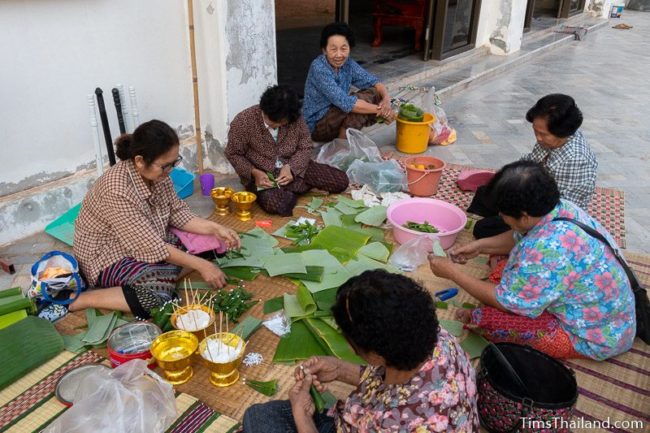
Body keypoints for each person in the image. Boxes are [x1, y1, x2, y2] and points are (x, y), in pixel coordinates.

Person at [430, 161, 635, 360]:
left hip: (594, 335)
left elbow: (506, 302)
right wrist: (480, 246)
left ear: (525, 216)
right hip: (606, 308)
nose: (500, 217)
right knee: (501, 264)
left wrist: (452, 273)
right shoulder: (560, 208)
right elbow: (518, 236)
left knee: (487, 321)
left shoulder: (545, 248)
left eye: (503, 214)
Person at [242, 270, 479, 433]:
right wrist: (340, 369)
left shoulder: (392, 422)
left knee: (258, 417)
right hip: (374, 417)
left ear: (377, 356)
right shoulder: (438, 337)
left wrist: (302, 416)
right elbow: (395, 383)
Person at [71, 120, 240, 319]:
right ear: (140, 160)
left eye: (174, 162)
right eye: (165, 165)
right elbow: (151, 246)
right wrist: (201, 266)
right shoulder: (117, 190)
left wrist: (214, 228)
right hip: (106, 255)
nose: (171, 170)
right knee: (157, 298)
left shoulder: (159, 174)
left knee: (212, 244)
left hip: (147, 238)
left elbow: (177, 213)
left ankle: (165, 272)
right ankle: (83, 299)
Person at [469, 94, 598, 239]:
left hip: (547, 218)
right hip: (530, 195)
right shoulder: (552, 139)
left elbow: (554, 210)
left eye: (542, 134)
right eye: (535, 131)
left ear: (562, 132)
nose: (538, 138)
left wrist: (514, 207)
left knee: (483, 229)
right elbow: (529, 162)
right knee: (484, 193)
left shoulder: (575, 159)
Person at [226, 85, 349, 216]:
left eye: (283, 123)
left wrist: (290, 167)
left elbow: (305, 146)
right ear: (264, 110)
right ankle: (292, 189)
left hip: (296, 166)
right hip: (263, 176)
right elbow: (233, 153)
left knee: (341, 181)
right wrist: (254, 172)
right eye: (273, 122)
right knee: (279, 205)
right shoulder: (243, 121)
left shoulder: (294, 117)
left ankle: (290, 188)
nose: (278, 126)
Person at [303, 22, 395, 143]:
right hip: (317, 125)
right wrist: (382, 111)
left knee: (375, 93)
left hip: (336, 116)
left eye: (343, 48)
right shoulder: (318, 67)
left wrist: (386, 101)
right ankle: (342, 146)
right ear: (324, 50)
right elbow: (346, 102)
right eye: (333, 49)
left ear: (349, 48)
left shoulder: (348, 64)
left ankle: (343, 139)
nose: (339, 54)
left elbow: (374, 82)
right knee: (357, 105)